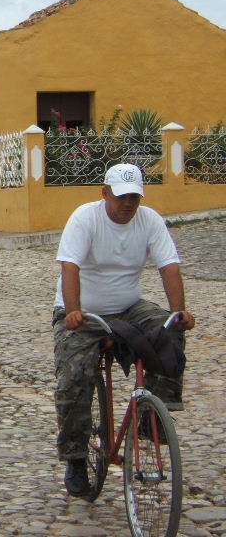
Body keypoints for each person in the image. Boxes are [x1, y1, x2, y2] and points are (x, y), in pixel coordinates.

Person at [52, 163, 195, 497]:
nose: (128, 203)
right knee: (74, 379)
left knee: (170, 329)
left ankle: (154, 416)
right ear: (105, 193)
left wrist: (179, 311)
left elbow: (169, 266)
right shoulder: (85, 218)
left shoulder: (150, 221)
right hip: (83, 311)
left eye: (134, 196)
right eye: (121, 196)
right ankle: (75, 456)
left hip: (128, 307)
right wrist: (73, 311)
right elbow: (69, 266)